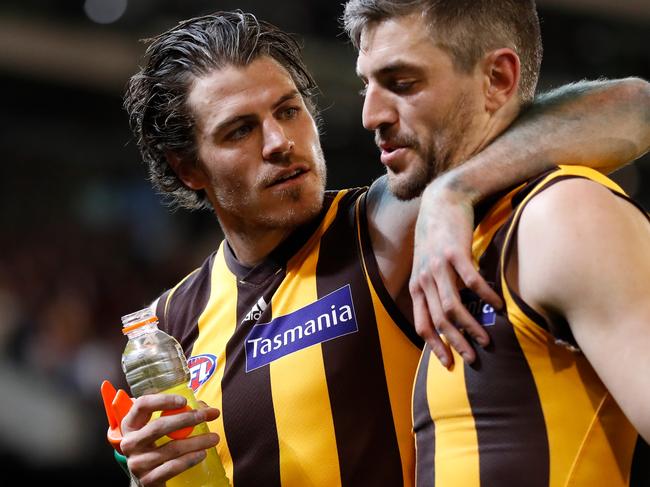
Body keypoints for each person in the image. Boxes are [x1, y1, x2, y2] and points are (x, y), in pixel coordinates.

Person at [117, 9, 650, 487]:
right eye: (239, 131)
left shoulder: (381, 226)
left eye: (288, 110)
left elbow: (633, 108)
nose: (280, 142)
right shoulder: (166, 329)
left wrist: (454, 188)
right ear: (187, 168)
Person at [342, 0, 650, 485]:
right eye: (367, 84)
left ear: (498, 80)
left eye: (402, 83)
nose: (370, 114)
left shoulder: (560, 214)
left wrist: (453, 188)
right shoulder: (466, 234)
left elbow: (638, 104)